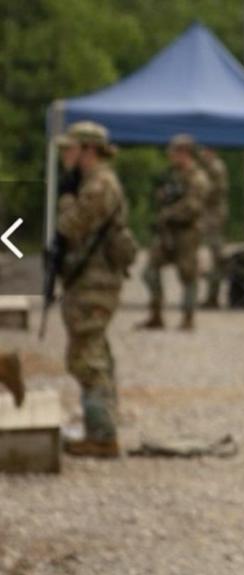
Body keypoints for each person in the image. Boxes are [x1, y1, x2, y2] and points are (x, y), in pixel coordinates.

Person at [55, 121, 135, 458]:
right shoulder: (94, 182)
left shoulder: (98, 186)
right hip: (91, 279)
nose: (65, 157)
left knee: (86, 357)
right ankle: (102, 425)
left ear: (88, 150)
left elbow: (70, 227)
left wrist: (64, 198)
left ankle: (102, 435)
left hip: (95, 281)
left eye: (70, 149)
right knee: (95, 350)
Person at [138, 133, 209, 331]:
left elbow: (193, 206)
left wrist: (170, 212)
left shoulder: (198, 178)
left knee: (188, 275)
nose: (171, 156)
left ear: (185, 153)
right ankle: (156, 314)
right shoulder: (172, 175)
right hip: (167, 232)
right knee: (149, 271)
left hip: (186, 233)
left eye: (174, 152)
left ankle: (188, 317)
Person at [198, 146, 229, 309]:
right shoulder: (209, 167)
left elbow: (215, 191)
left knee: (216, 259)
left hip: (213, 218)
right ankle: (211, 296)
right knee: (212, 259)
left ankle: (213, 297)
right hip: (210, 216)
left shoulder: (216, 168)